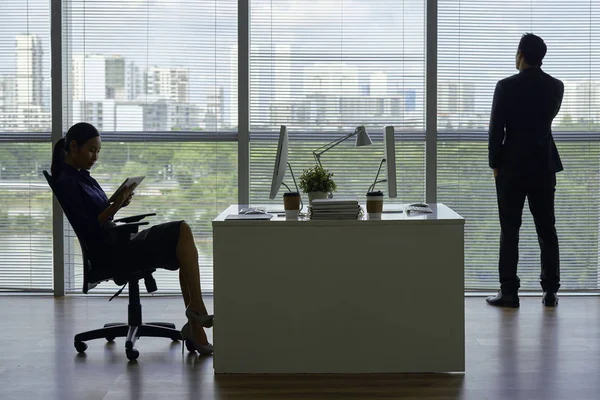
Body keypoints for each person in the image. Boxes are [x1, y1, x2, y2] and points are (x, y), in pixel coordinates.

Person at [51, 122, 214, 354]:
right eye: (91, 150)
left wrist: (118, 204)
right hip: (111, 252)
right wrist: (116, 204)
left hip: (117, 243)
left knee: (182, 245)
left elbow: (100, 215)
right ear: (74, 146)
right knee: (182, 231)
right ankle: (197, 313)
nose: (95, 157)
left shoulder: (83, 177)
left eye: (98, 152)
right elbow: (90, 227)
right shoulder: (67, 182)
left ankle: (196, 324)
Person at [486, 33, 564, 308]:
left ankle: (509, 292)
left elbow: (497, 129)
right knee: (547, 229)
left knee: (510, 230)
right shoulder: (556, 86)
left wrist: (494, 163)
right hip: (543, 166)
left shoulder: (505, 86)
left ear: (520, 54)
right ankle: (551, 291)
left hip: (512, 168)